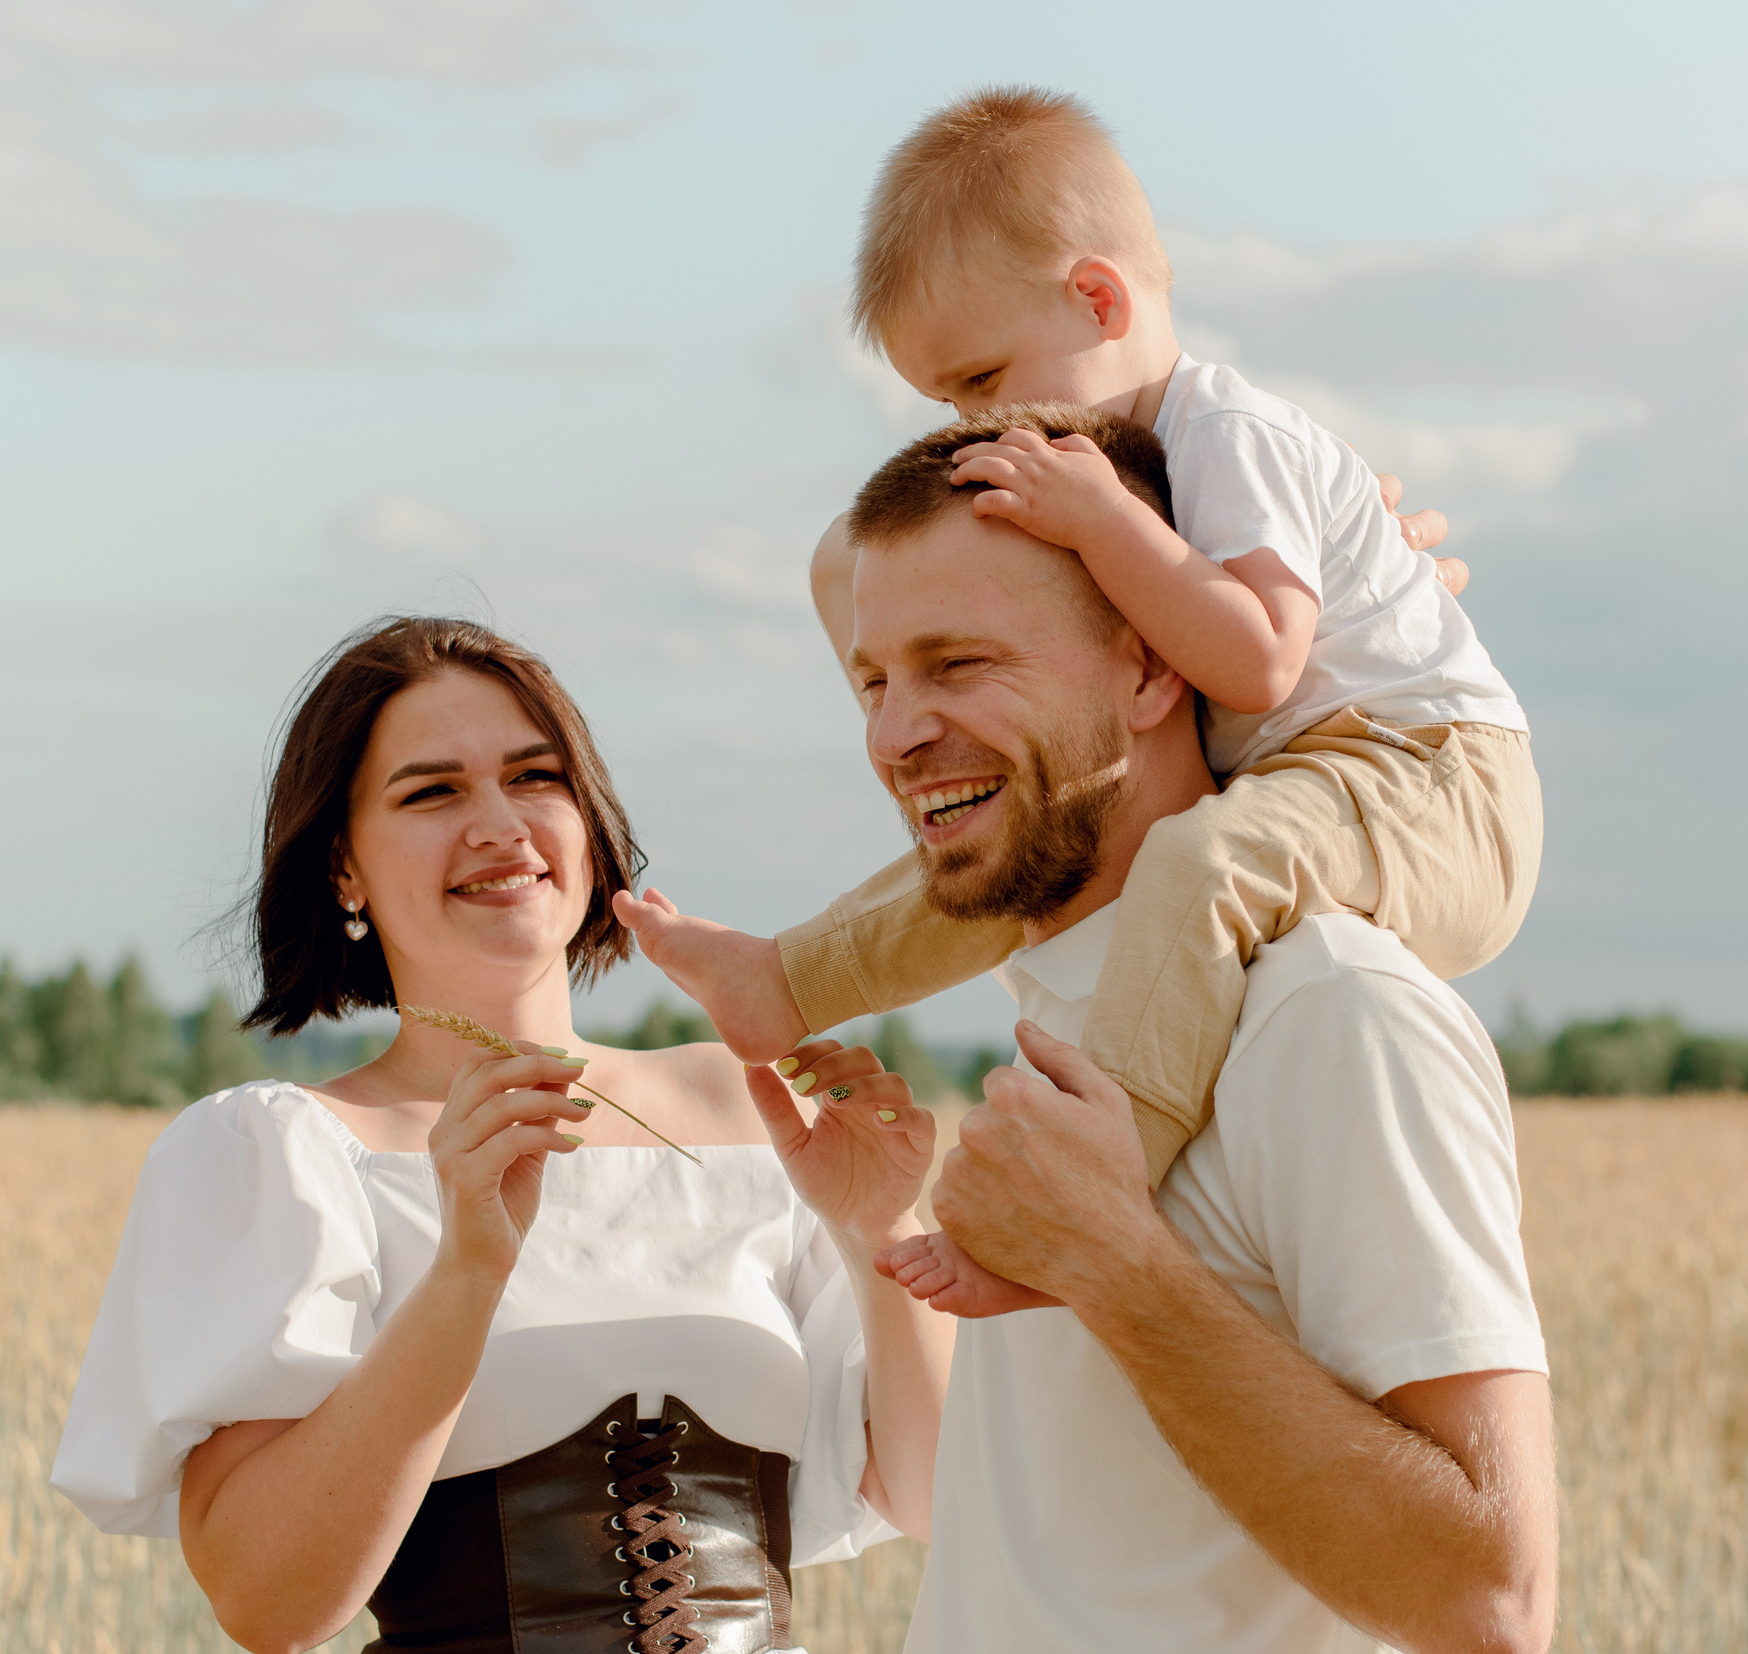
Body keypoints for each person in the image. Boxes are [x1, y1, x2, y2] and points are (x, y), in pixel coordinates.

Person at [625, 411, 1557, 1654]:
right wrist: (879, 1232)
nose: (897, 735)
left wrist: (1117, 1264)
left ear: (1154, 668)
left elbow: (1491, 1610)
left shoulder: (1331, 1015)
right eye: (874, 681)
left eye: (960, 662)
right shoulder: (1060, 1020)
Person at [625, 87, 1541, 1317]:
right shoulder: (1152, 468)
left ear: (1099, 302)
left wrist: (1104, 521)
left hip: (1428, 776)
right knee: (1031, 843)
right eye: (948, 405)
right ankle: (789, 980)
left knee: (1200, 863)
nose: (979, 425)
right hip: (1316, 771)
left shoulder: (1229, 435)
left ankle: (1090, 1181)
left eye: (982, 380)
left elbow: (1263, 663)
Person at [50, 617, 952, 1654]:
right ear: (343, 863)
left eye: (536, 777)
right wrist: (468, 1271)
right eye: (431, 794)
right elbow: (270, 1606)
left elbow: (934, 1498)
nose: (499, 825)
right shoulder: (284, 1155)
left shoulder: (748, 1103)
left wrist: (882, 1235)